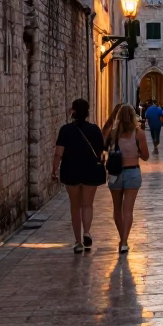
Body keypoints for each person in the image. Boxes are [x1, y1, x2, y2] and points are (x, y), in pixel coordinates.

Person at [51, 98, 106, 254]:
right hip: (90, 171)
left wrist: (54, 170)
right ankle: (87, 232)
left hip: (71, 171)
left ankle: (77, 242)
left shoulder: (65, 130)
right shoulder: (95, 129)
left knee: (75, 207)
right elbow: (101, 152)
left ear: (73, 111)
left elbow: (58, 154)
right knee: (88, 205)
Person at [104, 104, 149, 253]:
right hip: (132, 172)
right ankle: (124, 242)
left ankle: (122, 238)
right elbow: (146, 156)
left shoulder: (113, 133)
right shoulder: (139, 134)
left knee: (117, 209)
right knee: (128, 210)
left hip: (115, 174)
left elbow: (104, 147)